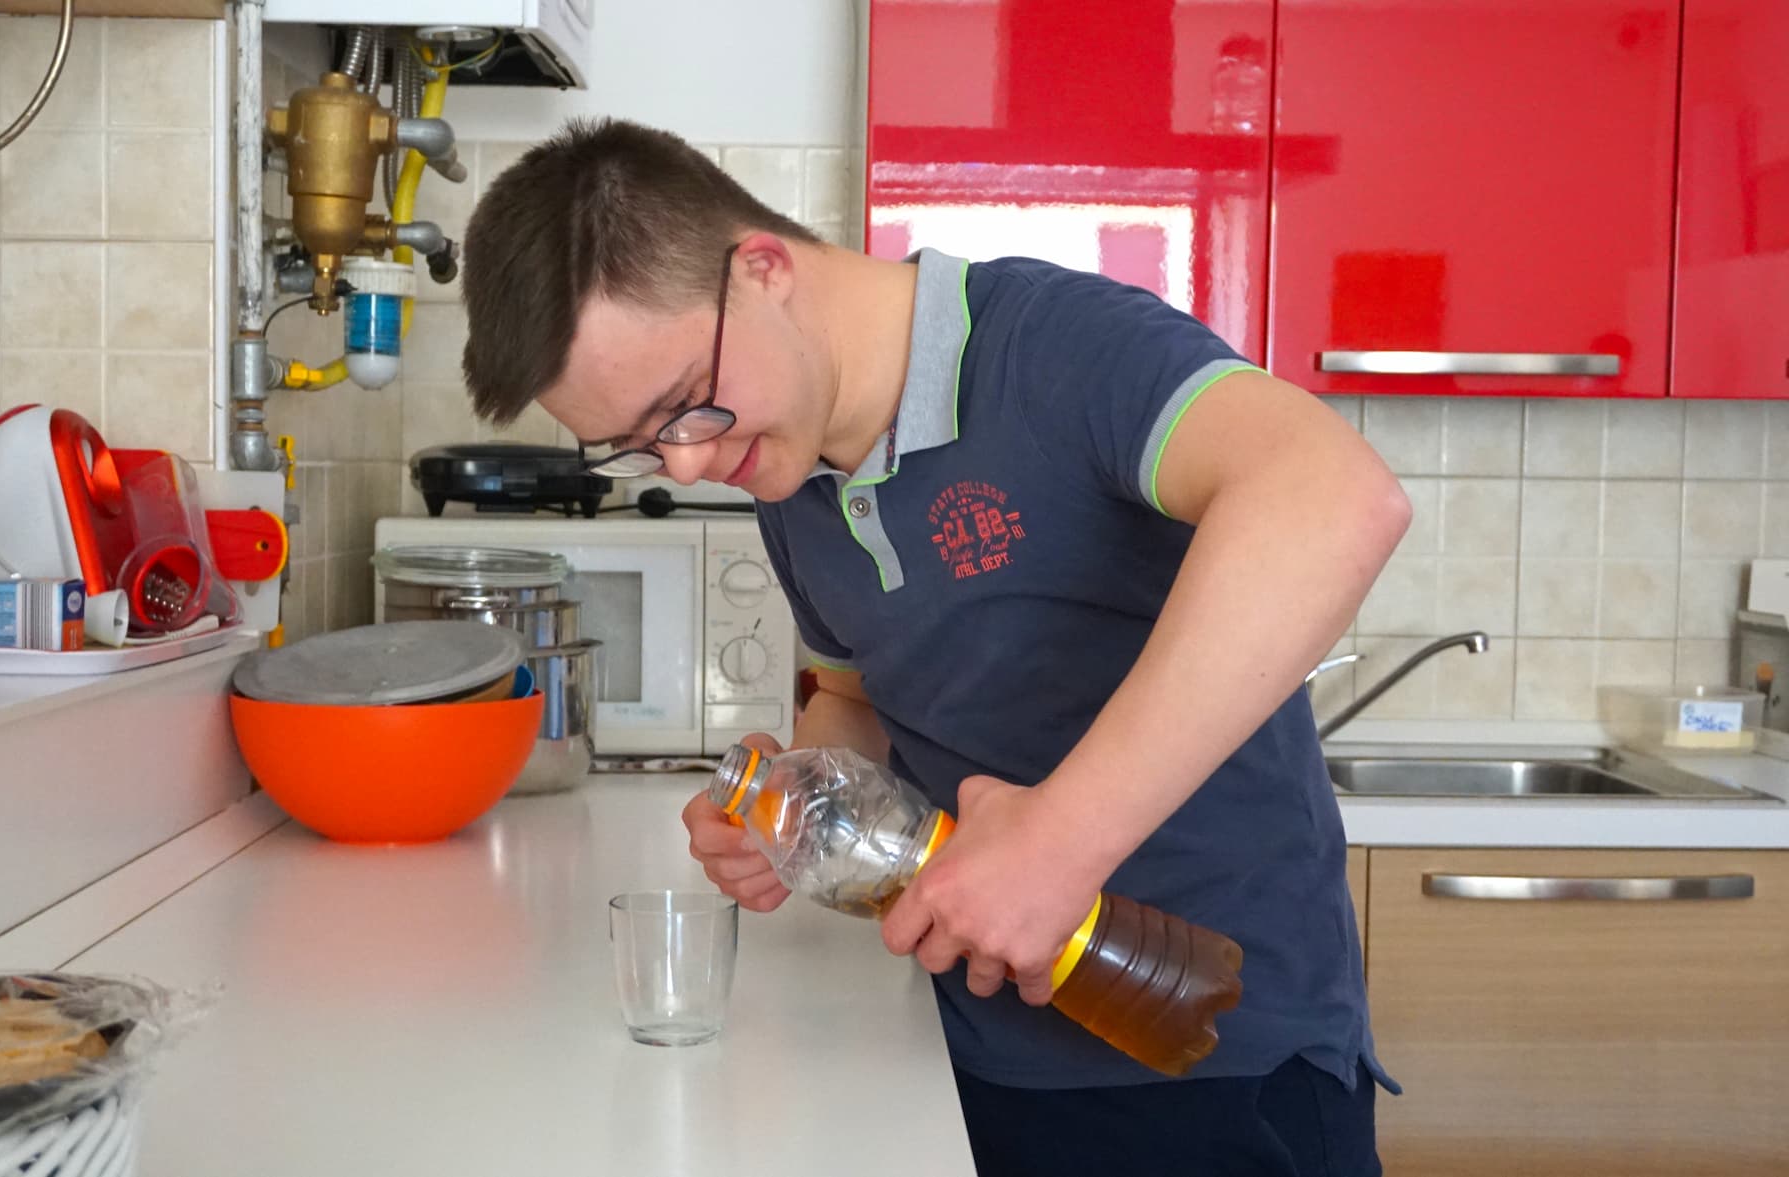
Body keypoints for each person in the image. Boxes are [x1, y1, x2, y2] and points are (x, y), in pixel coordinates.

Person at [460, 117, 1408, 1176]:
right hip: (977, 1052)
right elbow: (863, 701)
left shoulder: (1055, 347)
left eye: (683, 406)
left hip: (1214, 1046)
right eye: (641, 443)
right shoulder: (788, 471)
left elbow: (1335, 497)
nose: (683, 464)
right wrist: (786, 805)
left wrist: (1061, 840)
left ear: (763, 270)